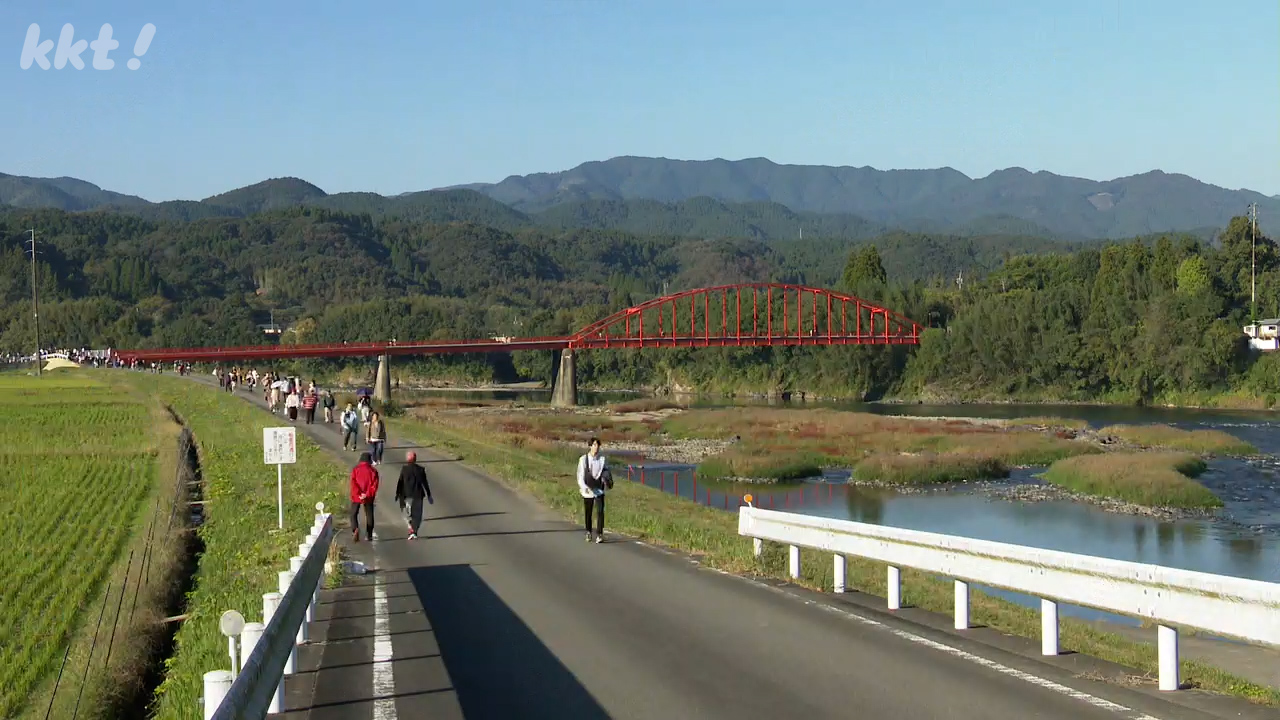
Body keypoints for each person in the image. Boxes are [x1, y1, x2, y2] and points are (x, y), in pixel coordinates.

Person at [576, 437, 611, 543]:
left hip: (599, 488)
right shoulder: (583, 459)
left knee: (600, 511)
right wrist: (584, 487)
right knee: (588, 512)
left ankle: (599, 534)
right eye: (594, 445)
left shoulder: (602, 459)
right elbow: (580, 475)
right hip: (587, 489)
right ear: (590, 446)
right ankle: (588, 532)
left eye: (598, 445)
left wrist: (607, 480)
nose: (596, 447)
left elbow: (606, 471)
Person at [395, 451, 434, 540]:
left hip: (407, 495)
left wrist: (397, 494)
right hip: (418, 495)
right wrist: (429, 495)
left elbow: (400, 483)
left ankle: (411, 528)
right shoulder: (421, 469)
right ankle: (414, 531)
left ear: (407, 459)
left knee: (407, 513)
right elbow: (425, 483)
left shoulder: (404, 469)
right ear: (415, 459)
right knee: (418, 515)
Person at [349, 452, 379, 542]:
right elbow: (375, 485)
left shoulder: (355, 469)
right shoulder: (373, 471)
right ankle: (369, 534)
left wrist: (358, 493)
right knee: (369, 514)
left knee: (353, 514)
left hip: (356, 495)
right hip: (368, 496)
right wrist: (367, 494)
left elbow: (353, 483)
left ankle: (355, 529)